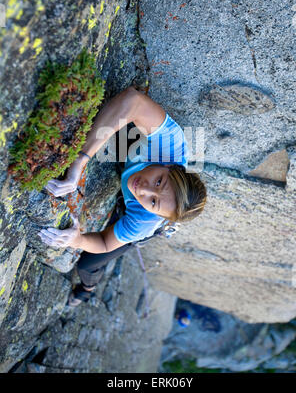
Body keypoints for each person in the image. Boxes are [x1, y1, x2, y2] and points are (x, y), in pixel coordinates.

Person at [38, 86, 207, 306]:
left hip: (136, 214)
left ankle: (87, 289)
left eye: (153, 201)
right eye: (159, 181)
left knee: (87, 265)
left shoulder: (144, 221)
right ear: (169, 166)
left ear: (156, 214)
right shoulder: (170, 146)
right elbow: (133, 99)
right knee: (127, 126)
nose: (143, 189)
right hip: (140, 154)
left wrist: (76, 239)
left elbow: (106, 244)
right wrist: (80, 160)